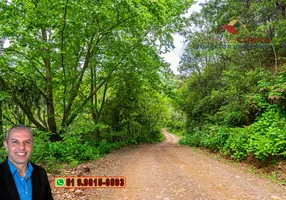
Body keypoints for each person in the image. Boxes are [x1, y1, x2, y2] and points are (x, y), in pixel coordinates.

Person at [0, 124, 54, 200]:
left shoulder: (40, 173)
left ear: (32, 144)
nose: (22, 147)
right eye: (15, 142)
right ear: (6, 145)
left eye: (27, 142)